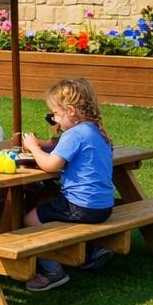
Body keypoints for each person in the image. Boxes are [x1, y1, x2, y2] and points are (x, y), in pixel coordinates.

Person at [20, 78, 116, 291]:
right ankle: (89, 252)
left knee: (30, 219)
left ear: (70, 111)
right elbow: (72, 150)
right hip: (104, 206)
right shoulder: (97, 132)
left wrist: (34, 148)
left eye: (54, 114)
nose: (54, 119)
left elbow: (51, 166)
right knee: (52, 205)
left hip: (81, 206)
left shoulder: (73, 134)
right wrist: (47, 144)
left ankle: (53, 271)